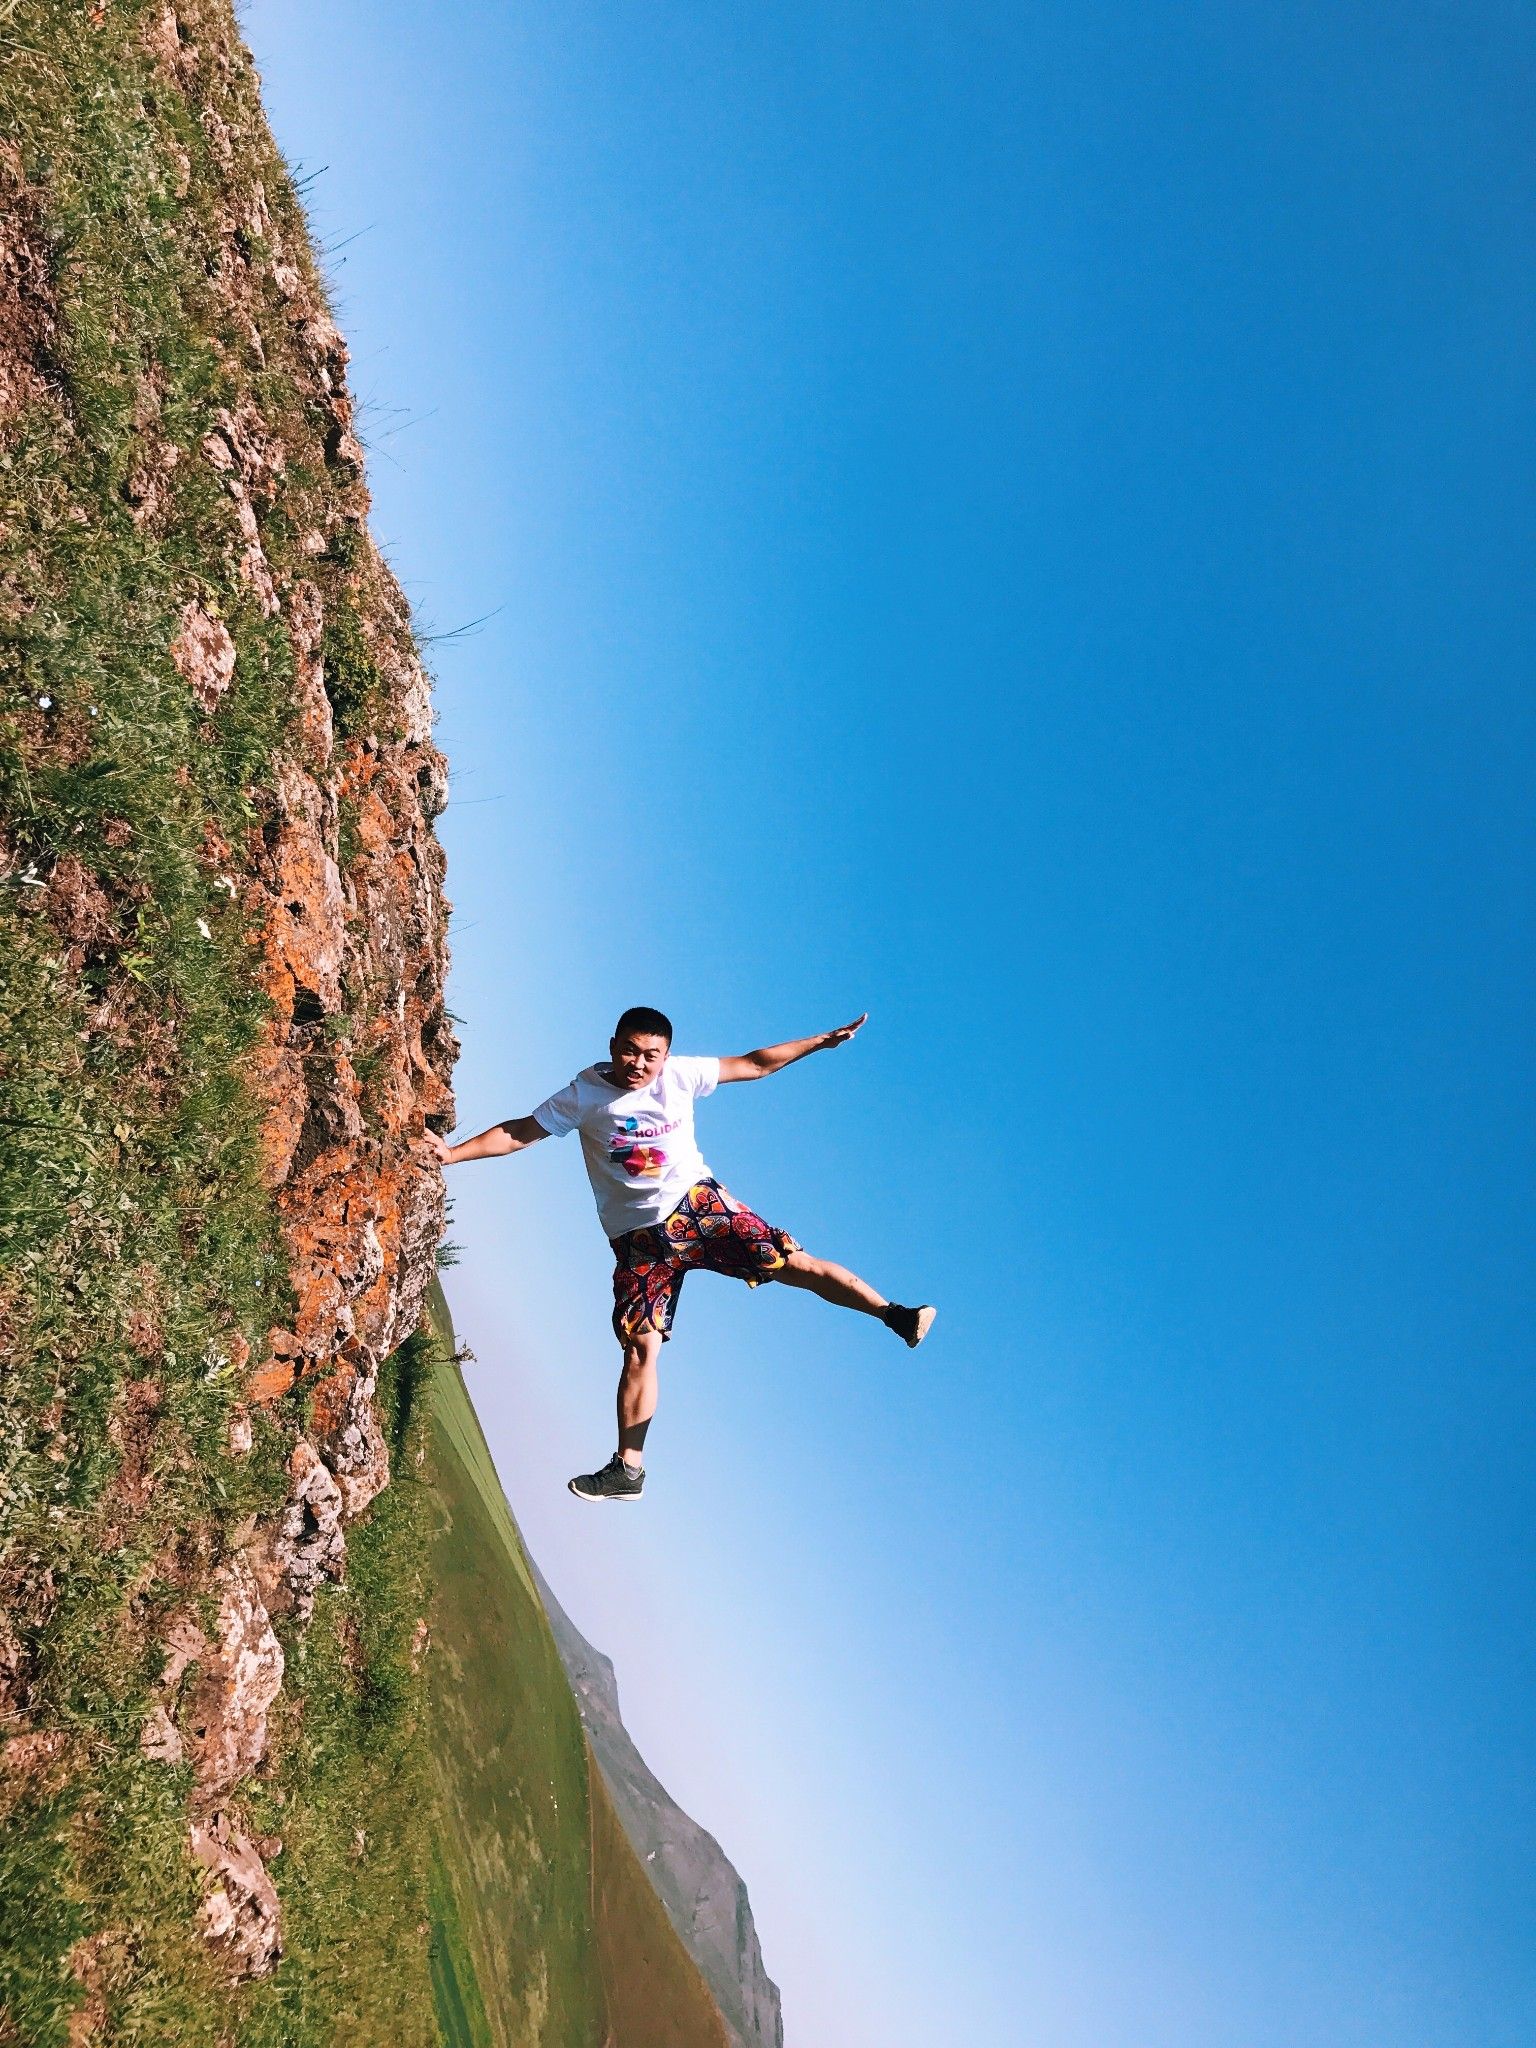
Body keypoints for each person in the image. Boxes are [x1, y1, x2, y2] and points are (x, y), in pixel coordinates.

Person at [425, 1005, 935, 1501]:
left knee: (793, 1263)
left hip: (698, 1208)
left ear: (666, 1056)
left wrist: (819, 1043)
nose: (639, 1064)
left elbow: (755, 1063)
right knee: (640, 1346)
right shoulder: (584, 1094)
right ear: (613, 1046)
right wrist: (451, 1154)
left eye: (651, 1055)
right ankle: (629, 1470)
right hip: (636, 1241)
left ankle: (894, 1314)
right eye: (630, 1051)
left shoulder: (682, 1076)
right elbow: (521, 1132)